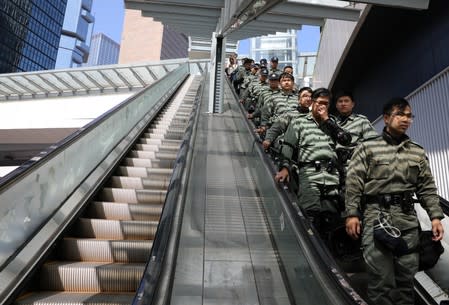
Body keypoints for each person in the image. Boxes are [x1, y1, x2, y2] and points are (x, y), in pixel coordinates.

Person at [345, 97, 444, 305]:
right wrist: (352, 214)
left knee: (405, 282)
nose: (406, 119)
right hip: (376, 219)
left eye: (409, 116)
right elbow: (353, 183)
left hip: (408, 221)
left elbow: (426, 186)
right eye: (400, 114)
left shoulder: (416, 150)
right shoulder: (367, 148)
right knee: (381, 282)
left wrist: (435, 217)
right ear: (387, 118)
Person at [275, 88, 351, 235]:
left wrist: (328, 121)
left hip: (331, 176)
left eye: (326, 104)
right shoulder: (299, 122)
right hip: (309, 174)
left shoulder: (332, 123)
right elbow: (288, 147)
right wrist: (285, 168)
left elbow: (346, 140)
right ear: (313, 103)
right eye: (320, 103)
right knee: (310, 217)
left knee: (330, 219)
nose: (322, 106)